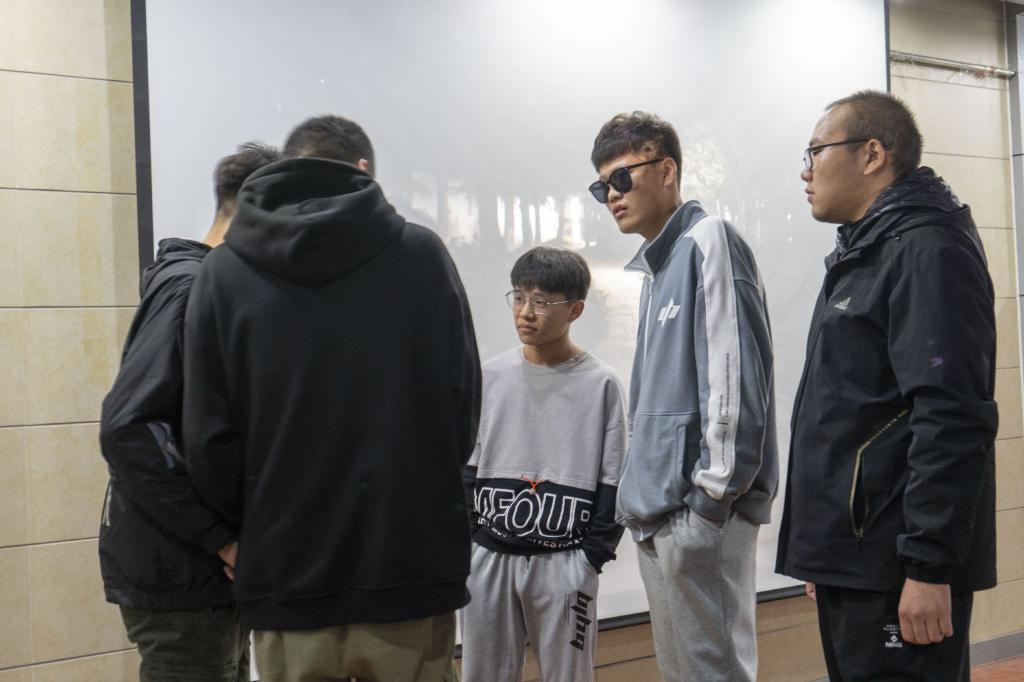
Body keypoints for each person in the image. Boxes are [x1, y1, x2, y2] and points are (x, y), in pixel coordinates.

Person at [181, 115, 481, 682]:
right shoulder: (421, 255)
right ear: (363, 171)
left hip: (285, 572)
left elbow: (208, 437)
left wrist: (248, 530)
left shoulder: (222, 272)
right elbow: (460, 408)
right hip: (408, 564)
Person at [776, 90, 998, 682]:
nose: (806, 171)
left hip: (897, 563)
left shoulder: (928, 249)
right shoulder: (868, 250)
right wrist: (825, 549)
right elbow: (854, 412)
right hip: (857, 557)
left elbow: (951, 414)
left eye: (815, 152)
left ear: (872, 154)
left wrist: (928, 566)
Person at [589, 111, 777, 682]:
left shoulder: (708, 240)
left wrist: (709, 502)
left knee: (713, 673)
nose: (611, 195)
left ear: (666, 170)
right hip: (661, 517)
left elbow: (734, 378)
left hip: (699, 517)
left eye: (621, 178)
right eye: (602, 187)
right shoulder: (657, 267)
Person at [99, 141, 280, 681]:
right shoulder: (192, 289)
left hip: (202, 572)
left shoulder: (208, 285)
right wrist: (221, 540)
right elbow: (129, 429)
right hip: (185, 570)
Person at [460, 247, 627, 681]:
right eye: (519, 297)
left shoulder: (601, 383)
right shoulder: (490, 376)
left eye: (541, 301)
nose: (525, 312)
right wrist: (473, 544)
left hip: (564, 562)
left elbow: (614, 481)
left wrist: (589, 559)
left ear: (575, 309)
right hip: (489, 559)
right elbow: (468, 467)